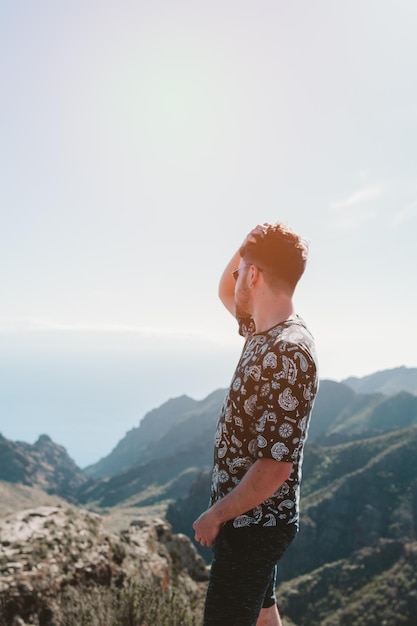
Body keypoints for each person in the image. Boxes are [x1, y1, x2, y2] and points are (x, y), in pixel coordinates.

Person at [193, 222, 319, 626]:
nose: (235, 276)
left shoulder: (287, 352)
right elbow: (225, 292)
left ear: (254, 275)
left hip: (254, 525)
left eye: (241, 268)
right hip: (251, 518)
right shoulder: (263, 333)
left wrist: (216, 515)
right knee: (266, 619)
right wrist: (248, 243)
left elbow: (275, 467)